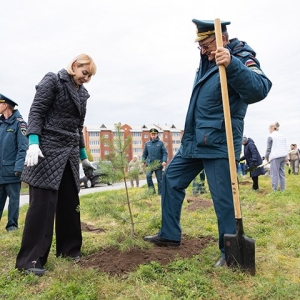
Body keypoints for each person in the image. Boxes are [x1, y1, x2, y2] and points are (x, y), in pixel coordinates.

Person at [144, 19, 272, 267]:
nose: (203, 50)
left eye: (207, 44)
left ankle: (229, 254)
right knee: (171, 178)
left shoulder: (241, 55)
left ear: (222, 39)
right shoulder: (206, 60)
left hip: (220, 142)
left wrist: (233, 64)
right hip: (195, 139)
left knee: (223, 198)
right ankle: (169, 234)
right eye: (200, 45)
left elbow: (260, 89)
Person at [15, 54, 97, 276]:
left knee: (70, 204)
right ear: (74, 66)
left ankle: (69, 251)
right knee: (42, 207)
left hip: (69, 154)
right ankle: (30, 262)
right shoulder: (53, 80)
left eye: (90, 76)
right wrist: (33, 143)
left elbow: (78, 127)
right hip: (46, 151)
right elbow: (37, 112)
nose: (86, 78)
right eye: (84, 72)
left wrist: (83, 156)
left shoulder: (83, 94)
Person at [0, 94, 27, 231]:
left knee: (13, 201)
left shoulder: (20, 124)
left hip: (12, 171)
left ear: (5, 106)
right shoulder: (0, 124)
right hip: (0, 172)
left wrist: (18, 168)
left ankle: (12, 226)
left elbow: (23, 148)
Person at [142, 128, 168, 195]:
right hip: (150, 164)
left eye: (154, 134)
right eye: (152, 134)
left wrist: (164, 161)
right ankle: (152, 192)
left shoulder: (161, 143)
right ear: (150, 135)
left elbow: (165, 153)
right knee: (148, 176)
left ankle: (161, 193)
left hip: (158, 164)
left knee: (159, 179)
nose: (153, 136)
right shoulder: (147, 144)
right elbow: (144, 154)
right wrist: (143, 161)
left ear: (157, 134)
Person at [264, 122, 288, 192]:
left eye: (269, 128)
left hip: (275, 156)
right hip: (283, 156)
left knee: (274, 174)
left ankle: (274, 190)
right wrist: (286, 157)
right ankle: (282, 190)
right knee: (282, 173)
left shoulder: (271, 136)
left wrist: (266, 157)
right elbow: (285, 146)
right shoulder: (282, 135)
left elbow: (268, 148)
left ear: (272, 128)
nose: (269, 130)